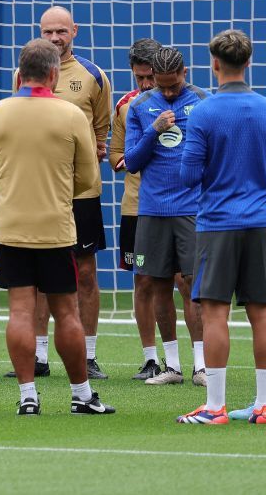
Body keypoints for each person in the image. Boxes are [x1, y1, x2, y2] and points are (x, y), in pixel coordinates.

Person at [0, 38, 115, 416]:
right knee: (67, 313)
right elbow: (88, 179)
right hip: (55, 227)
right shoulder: (71, 116)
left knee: (20, 312)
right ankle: (82, 395)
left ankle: (27, 396)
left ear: (20, 74)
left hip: (12, 227)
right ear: (54, 75)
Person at [175, 30, 266, 425]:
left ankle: (215, 406)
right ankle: (263, 406)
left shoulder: (204, 112)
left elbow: (188, 175)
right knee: (262, 314)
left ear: (214, 64)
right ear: (249, 62)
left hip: (217, 224)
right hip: (258, 223)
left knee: (215, 314)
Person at [9, 7, 113, 380]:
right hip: (37, 191)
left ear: (75, 31)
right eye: (47, 32)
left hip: (80, 193)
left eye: (61, 31)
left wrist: (83, 166)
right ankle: (38, 356)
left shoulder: (93, 76)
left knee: (84, 273)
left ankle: (88, 355)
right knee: (35, 275)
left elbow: (101, 133)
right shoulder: (23, 75)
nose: (55, 38)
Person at [124, 47, 207, 386]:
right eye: (163, 86)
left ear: (184, 73)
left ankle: (200, 365)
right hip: (153, 209)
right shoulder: (141, 107)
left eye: (174, 86)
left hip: (192, 209)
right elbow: (131, 161)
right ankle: (171, 366)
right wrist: (153, 130)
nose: (169, 92)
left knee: (191, 285)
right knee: (158, 284)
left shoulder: (204, 102)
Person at [109, 38, 163, 380]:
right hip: (136, 208)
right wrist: (133, 156)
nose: (145, 85)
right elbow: (115, 157)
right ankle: (150, 358)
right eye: (139, 77)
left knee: (184, 283)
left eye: (150, 78)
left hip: (177, 208)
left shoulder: (187, 103)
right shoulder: (126, 106)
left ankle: (199, 360)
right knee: (143, 283)